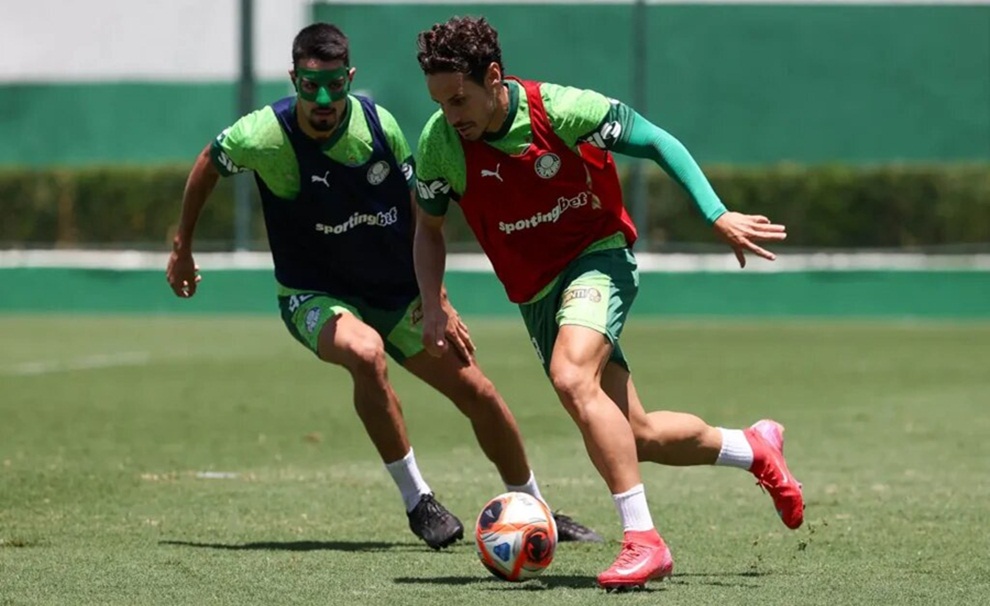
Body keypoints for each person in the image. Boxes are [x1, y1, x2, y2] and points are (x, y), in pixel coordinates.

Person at [166, 22, 601, 551]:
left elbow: (423, 210)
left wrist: (436, 299)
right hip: (314, 293)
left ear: (349, 78)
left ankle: (536, 510)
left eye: (334, 85)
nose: (323, 100)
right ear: (294, 79)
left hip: (397, 292)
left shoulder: (378, 126)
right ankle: (419, 501)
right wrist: (182, 248)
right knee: (366, 352)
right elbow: (209, 162)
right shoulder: (264, 135)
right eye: (310, 86)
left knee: (480, 394)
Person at [413, 16, 805, 590]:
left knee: (572, 376)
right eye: (440, 103)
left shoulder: (561, 110)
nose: (451, 115)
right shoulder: (439, 144)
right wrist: (433, 302)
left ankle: (644, 540)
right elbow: (428, 230)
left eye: (458, 99)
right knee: (636, 434)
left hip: (598, 258)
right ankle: (752, 447)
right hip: (536, 294)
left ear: (493, 77)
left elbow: (657, 140)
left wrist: (715, 213)